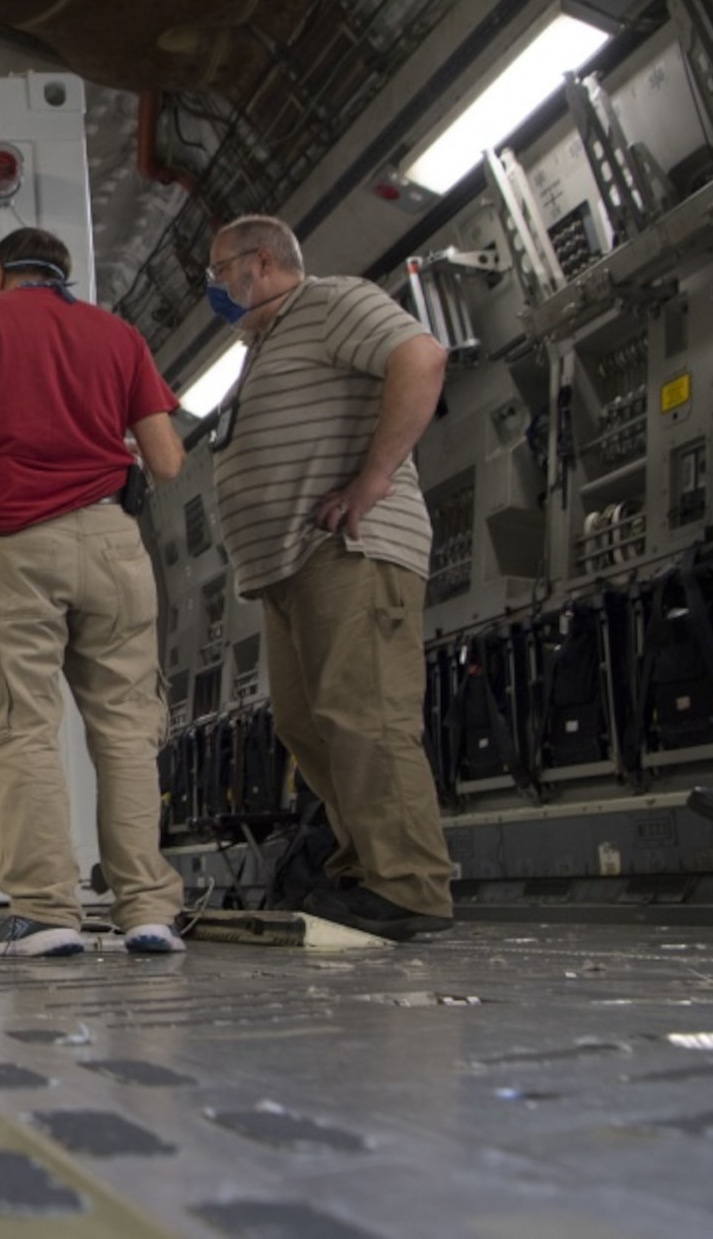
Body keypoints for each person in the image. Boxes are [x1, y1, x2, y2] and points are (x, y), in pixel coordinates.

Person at [0, 227, 189, 957]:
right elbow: (166, 461)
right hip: (114, 544)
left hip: (19, 545)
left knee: (24, 726)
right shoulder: (120, 335)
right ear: (62, 273)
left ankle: (45, 912)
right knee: (128, 731)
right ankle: (147, 913)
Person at [204, 214, 454, 942]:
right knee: (307, 723)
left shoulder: (332, 301)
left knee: (366, 713)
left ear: (259, 263)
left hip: (351, 548)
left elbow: (422, 355)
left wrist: (371, 483)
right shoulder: (265, 343)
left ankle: (409, 886)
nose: (217, 289)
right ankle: (363, 871)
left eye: (221, 272)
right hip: (288, 565)